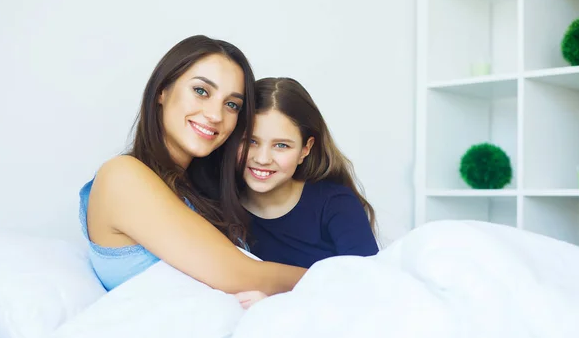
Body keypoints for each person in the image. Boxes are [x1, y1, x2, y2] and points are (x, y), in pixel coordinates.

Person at [78, 35, 306, 298]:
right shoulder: (120, 177)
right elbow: (235, 273)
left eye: (231, 105)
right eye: (201, 91)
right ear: (162, 91)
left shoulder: (204, 196)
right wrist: (336, 276)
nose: (215, 115)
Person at [239, 77, 380, 269]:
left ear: (305, 150)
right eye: (250, 142)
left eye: (281, 145)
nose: (262, 159)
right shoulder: (216, 203)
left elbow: (368, 282)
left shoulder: (336, 204)